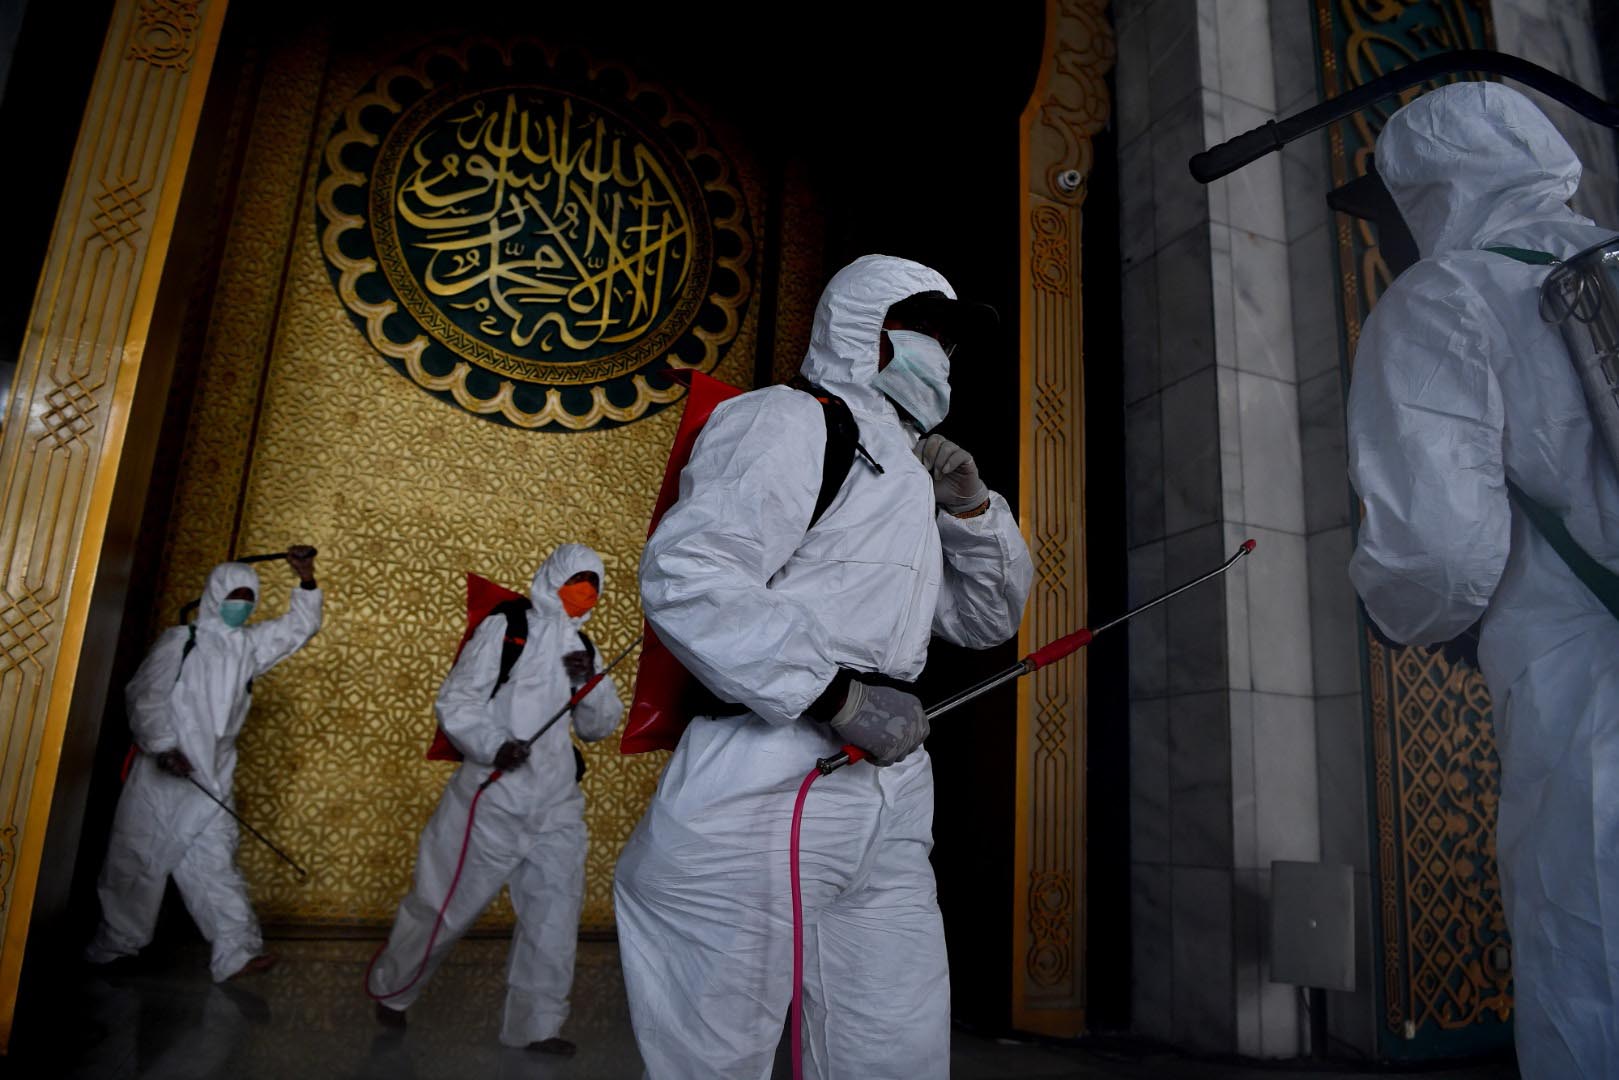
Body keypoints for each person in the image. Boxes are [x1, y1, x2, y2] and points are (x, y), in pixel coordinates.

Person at [616, 254, 1033, 1079]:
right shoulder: (791, 420)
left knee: (893, 1041)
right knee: (716, 1051)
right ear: (862, 329)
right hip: (769, 769)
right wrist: (834, 694)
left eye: (950, 338)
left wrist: (971, 510)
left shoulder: (915, 476)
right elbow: (688, 574)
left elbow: (986, 619)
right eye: (923, 328)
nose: (938, 352)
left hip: (891, 786)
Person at [1346, 81, 1619, 1078]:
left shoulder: (1446, 294)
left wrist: (1403, 616)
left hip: (1587, 701)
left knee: (1591, 975)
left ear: (1426, 189)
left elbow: (1436, 557)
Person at [368, 543, 622, 1056]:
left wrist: (585, 681)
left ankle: (538, 1025)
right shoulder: (508, 627)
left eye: (594, 585)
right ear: (553, 577)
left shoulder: (585, 649)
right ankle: (393, 988)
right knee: (444, 905)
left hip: (556, 804)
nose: (586, 592)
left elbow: (599, 727)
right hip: (493, 796)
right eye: (578, 580)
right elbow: (458, 701)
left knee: (555, 912)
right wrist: (492, 744)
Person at [85, 547, 323, 981]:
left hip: (213, 774)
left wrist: (306, 579)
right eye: (235, 595)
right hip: (166, 771)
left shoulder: (247, 647)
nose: (242, 605)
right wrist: (163, 745)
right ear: (215, 594)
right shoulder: (182, 642)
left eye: (249, 598)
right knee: (138, 855)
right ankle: (116, 948)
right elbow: (145, 696)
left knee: (214, 859)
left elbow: (298, 628)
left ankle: (237, 953)